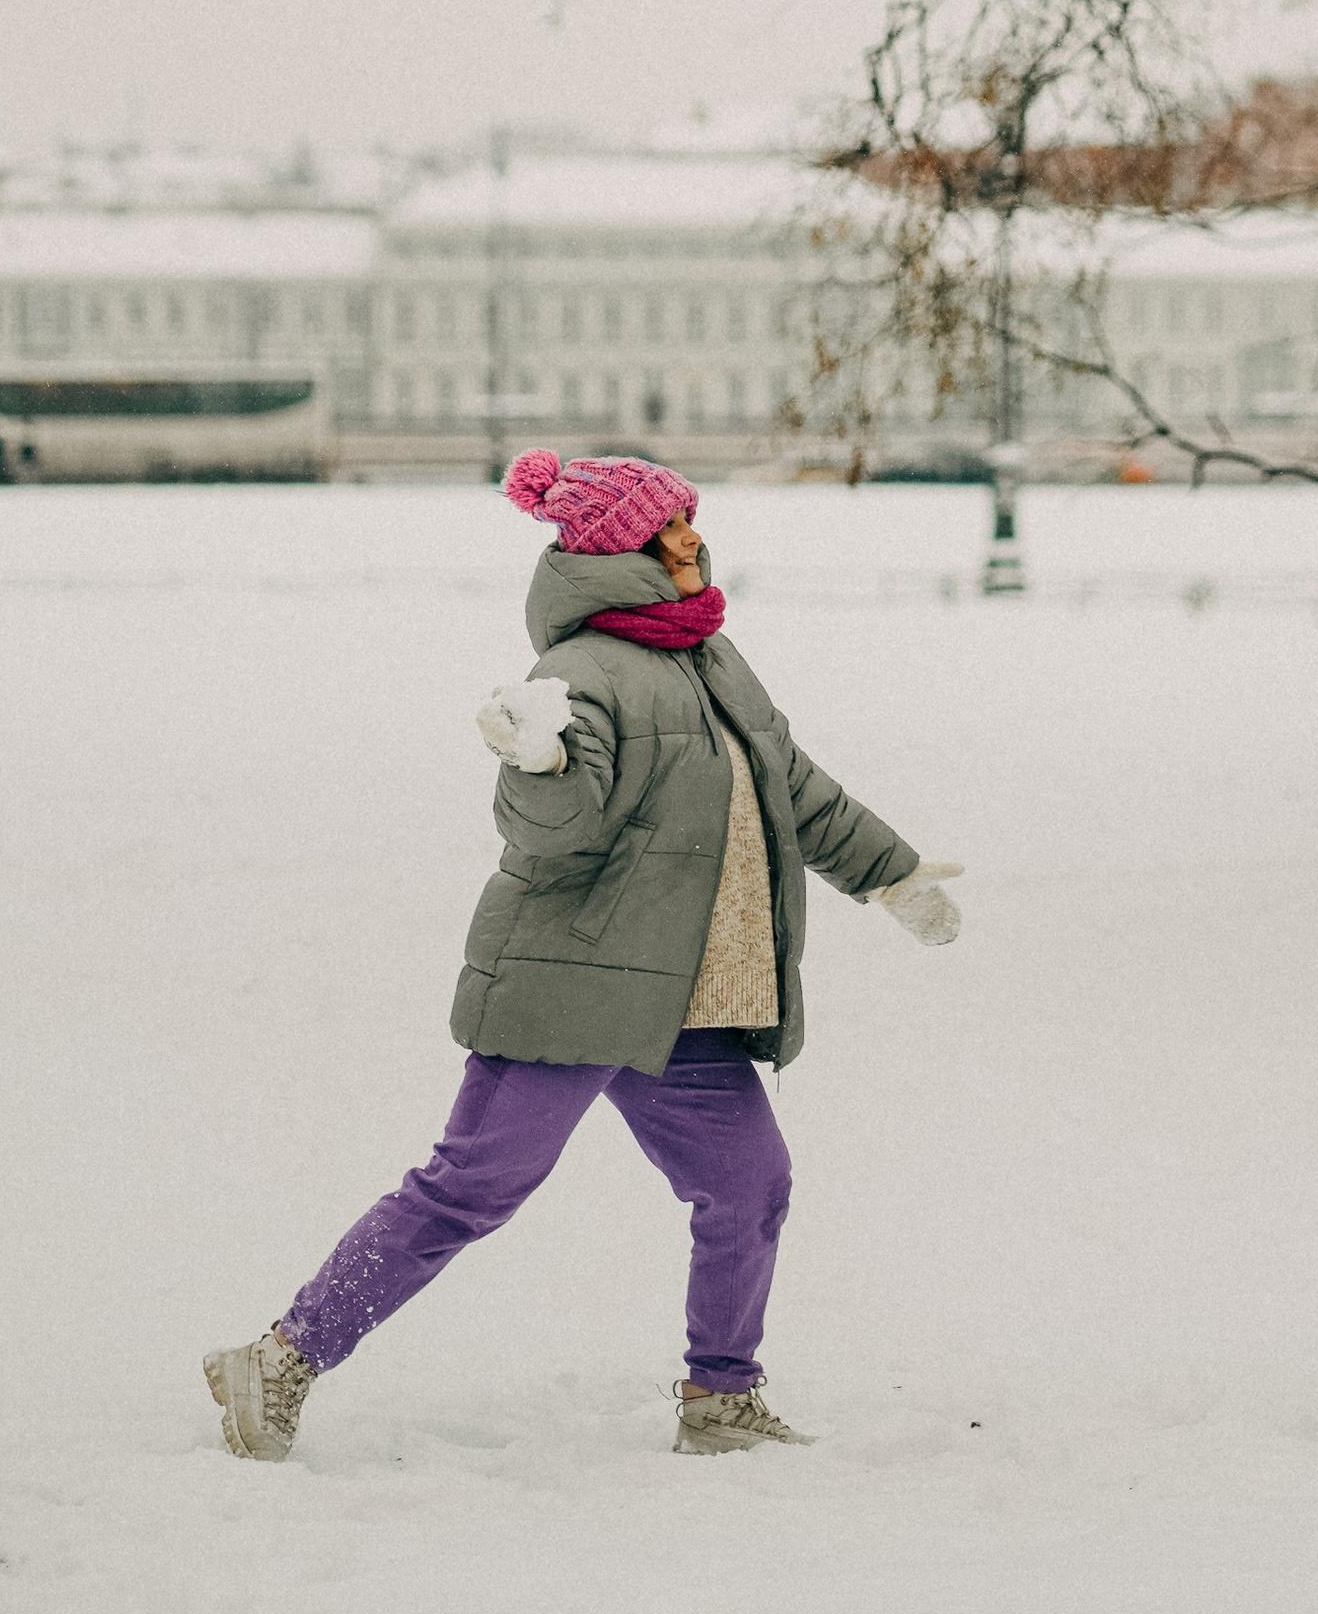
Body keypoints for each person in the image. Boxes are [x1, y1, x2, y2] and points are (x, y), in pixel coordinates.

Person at [204, 450, 961, 1463]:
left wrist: (892, 875)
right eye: (668, 530)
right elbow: (553, 828)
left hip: (685, 999)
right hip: (574, 988)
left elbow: (796, 786)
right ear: (617, 556)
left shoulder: (713, 662)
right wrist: (541, 761)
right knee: (469, 1189)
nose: (692, 540)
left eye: (691, 520)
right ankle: (282, 1358)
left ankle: (721, 1399)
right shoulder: (578, 674)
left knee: (749, 1185)